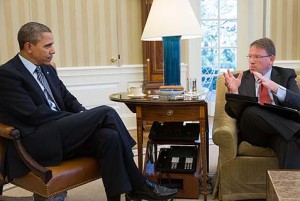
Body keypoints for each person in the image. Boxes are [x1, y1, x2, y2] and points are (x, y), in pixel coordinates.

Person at [0, 22, 177, 201]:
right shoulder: (8, 74)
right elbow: (33, 115)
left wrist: (84, 119)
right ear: (28, 47)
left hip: (62, 134)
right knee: (106, 112)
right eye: (47, 46)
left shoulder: (47, 69)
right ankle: (140, 184)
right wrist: (81, 120)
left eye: (52, 44)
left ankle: (122, 195)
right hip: (38, 140)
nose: (53, 50)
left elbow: (68, 99)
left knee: (110, 137)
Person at [223, 37, 300, 169]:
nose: (252, 61)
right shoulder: (239, 78)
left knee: (291, 143)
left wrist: (275, 87)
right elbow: (231, 112)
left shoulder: (286, 75)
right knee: (251, 111)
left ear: (271, 59)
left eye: (257, 57)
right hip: (253, 130)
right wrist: (234, 92)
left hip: (279, 131)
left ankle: (287, 189)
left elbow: (297, 102)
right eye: (250, 56)